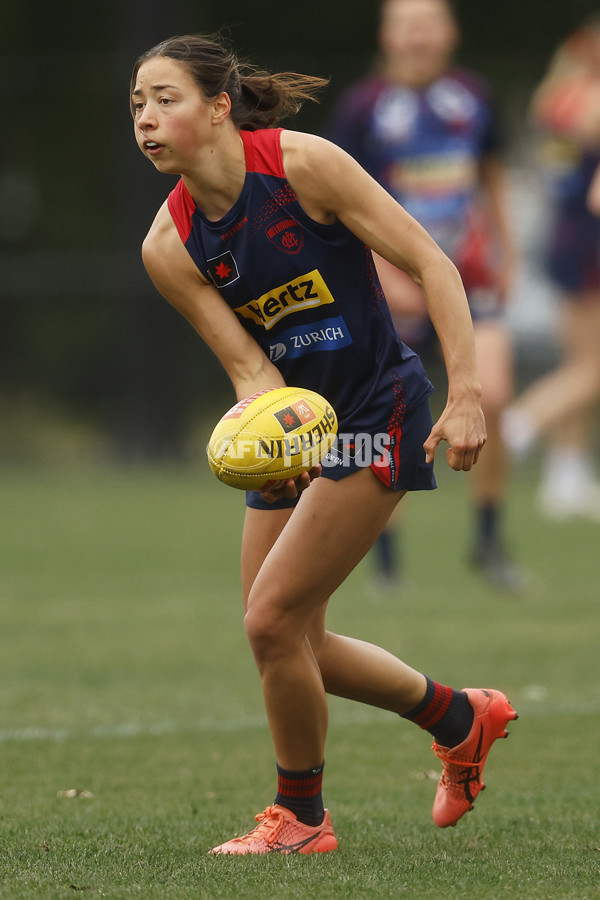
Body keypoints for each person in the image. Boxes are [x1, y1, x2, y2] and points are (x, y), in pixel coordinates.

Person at [131, 33, 517, 855]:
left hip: (380, 410)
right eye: (137, 104)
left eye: (167, 99)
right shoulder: (168, 246)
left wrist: (469, 395)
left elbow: (431, 261)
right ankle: (461, 717)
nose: (147, 119)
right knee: (286, 637)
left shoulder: (303, 166)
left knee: (272, 622)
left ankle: (301, 820)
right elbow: (250, 371)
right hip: (304, 433)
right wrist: (268, 438)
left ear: (220, 106)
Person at [328, 0, 524, 591]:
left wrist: (507, 252)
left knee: (494, 393)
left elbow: (492, 175)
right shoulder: (362, 109)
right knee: (389, 414)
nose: (418, 36)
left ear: (450, 33)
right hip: (389, 278)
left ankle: (488, 539)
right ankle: (385, 559)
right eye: (406, 24)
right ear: (388, 35)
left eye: (428, 23)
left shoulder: (474, 98)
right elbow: (337, 204)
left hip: (466, 274)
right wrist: (383, 277)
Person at [503, 18, 600, 521]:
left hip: (564, 235)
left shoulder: (556, 97)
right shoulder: (592, 102)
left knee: (580, 357)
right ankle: (519, 425)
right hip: (590, 242)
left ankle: (567, 474)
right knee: (593, 368)